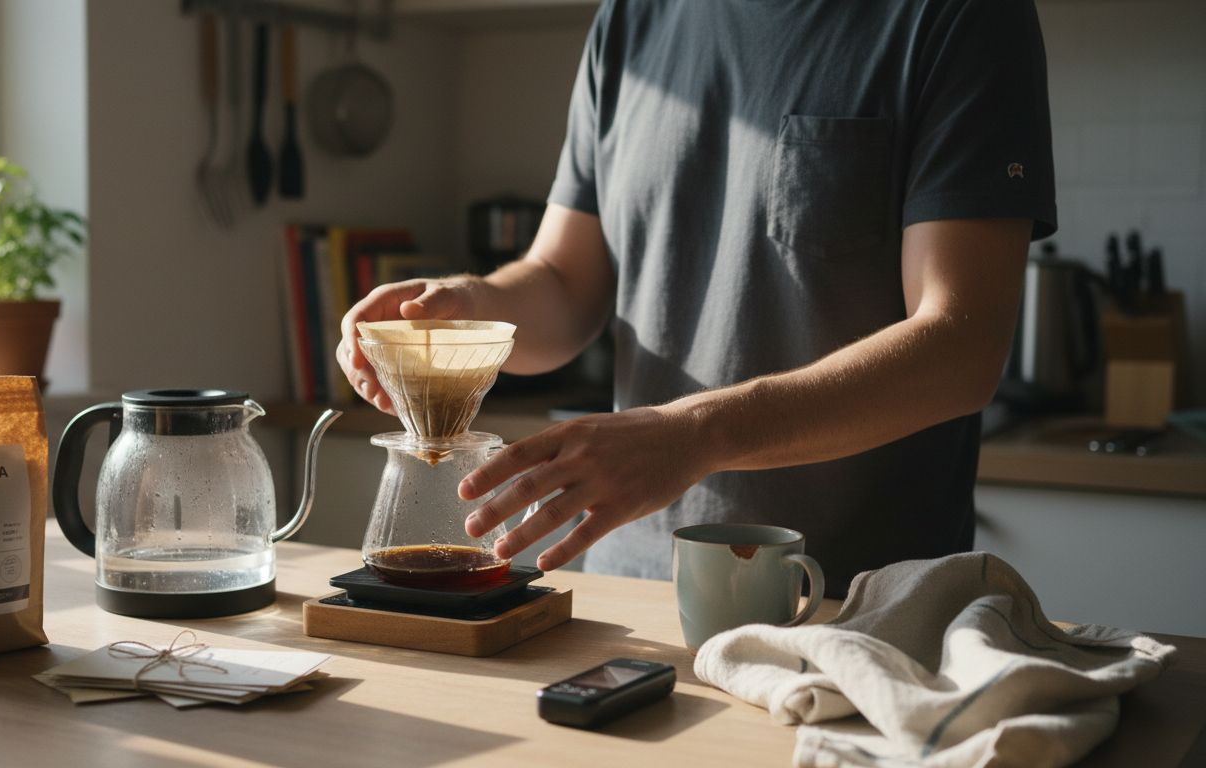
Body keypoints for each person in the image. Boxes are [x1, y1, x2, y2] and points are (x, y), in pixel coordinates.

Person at [338, 0, 1057, 598]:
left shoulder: (960, 15)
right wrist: (467, 307)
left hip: (858, 602)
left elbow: (960, 345)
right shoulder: (631, 21)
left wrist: (693, 434)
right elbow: (563, 284)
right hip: (634, 593)